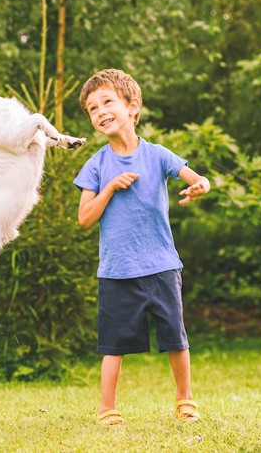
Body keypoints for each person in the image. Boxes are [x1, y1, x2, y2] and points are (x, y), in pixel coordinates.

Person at [73, 69, 210, 425]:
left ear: (132, 108)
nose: (99, 111)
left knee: (176, 340)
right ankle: (107, 409)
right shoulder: (97, 165)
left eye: (107, 102)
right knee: (113, 346)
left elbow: (197, 178)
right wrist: (109, 188)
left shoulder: (158, 155)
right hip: (117, 271)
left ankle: (186, 401)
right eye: (92, 108)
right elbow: (85, 217)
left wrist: (200, 186)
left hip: (162, 265)